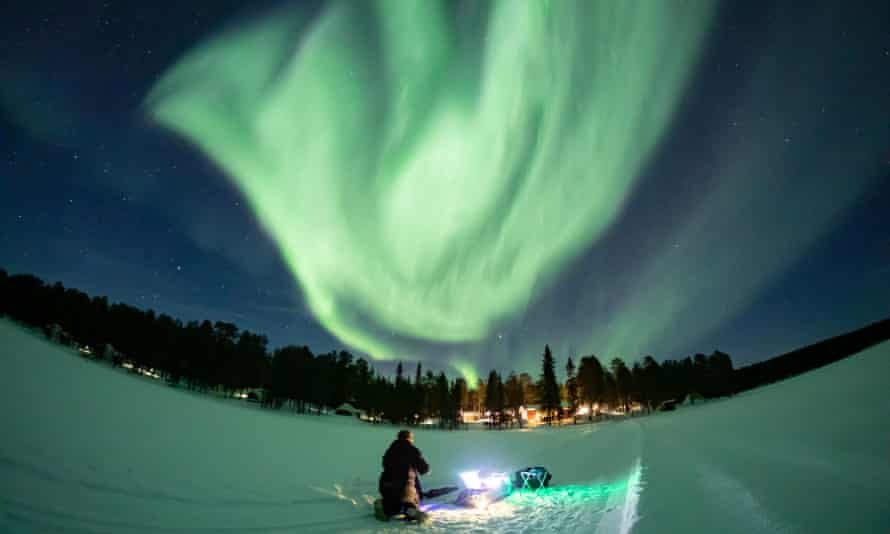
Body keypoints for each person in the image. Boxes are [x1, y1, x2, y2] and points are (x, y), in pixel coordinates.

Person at [376, 430, 430, 520]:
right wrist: (426, 469)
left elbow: (385, 464)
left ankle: (384, 506)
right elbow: (424, 469)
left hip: (385, 483)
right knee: (410, 501)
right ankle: (411, 511)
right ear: (409, 438)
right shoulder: (411, 449)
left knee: (393, 502)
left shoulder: (390, 450)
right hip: (404, 484)